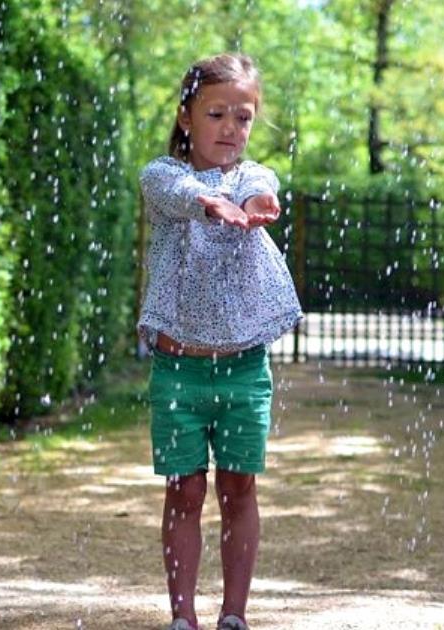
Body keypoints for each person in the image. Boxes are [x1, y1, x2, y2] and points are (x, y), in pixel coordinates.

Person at [137, 52, 302, 630]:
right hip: (177, 367)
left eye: (244, 116)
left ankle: (235, 614)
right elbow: (177, 190)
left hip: (243, 370)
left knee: (239, 487)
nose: (232, 128)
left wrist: (254, 203)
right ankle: (183, 616)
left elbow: (261, 183)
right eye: (217, 114)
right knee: (184, 492)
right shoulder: (163, 177)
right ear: (186, 118)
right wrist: (210, 203)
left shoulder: (251, 176)